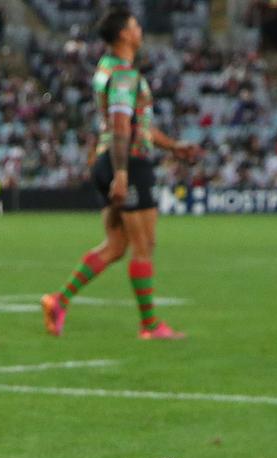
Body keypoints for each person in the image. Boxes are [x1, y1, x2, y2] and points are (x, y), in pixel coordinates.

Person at [41, 9, 198, 340]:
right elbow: (121, 125)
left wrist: (173, 147)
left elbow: (133, 123)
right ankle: (150, 325)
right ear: (125, 34)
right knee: (145, 244)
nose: (140, 30)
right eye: (135, 25)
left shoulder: (106, 70)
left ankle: (59, 300)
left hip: (107, 159)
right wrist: (124, 173)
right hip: (129, 163)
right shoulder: (125, 75)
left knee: (115, 245)